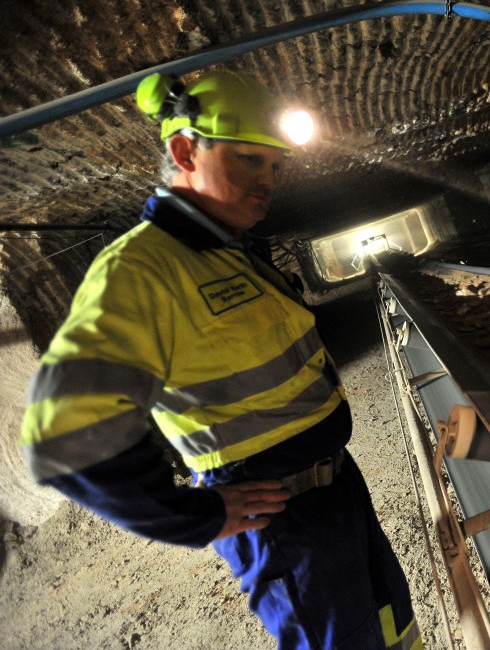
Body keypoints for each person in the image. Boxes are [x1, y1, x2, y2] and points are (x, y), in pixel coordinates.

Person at [20, 69, 422, 650]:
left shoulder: (225, 254)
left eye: (276, 167)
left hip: (333, 493)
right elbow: (64, 437)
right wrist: (195, 515)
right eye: (248, 160)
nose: (268, 181)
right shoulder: (142, 269)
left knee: (392, 630)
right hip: (280, 521)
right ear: (184, 150)